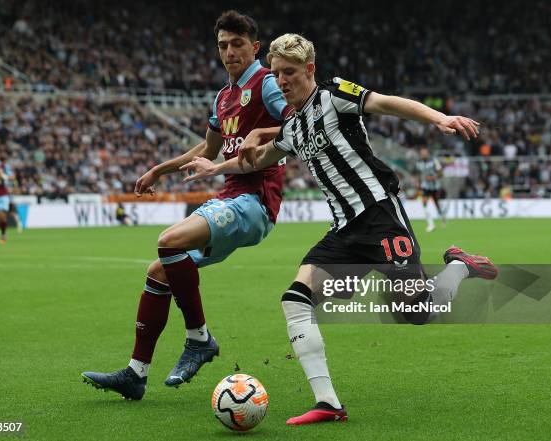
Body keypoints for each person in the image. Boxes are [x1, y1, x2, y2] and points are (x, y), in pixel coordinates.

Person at [181, 33, 497, 425]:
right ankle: (328, 403)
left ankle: (459, 265)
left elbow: (384, 102)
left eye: (290, 73)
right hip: (343, 231)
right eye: (277, 74)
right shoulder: (293, 127)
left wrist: (440, 118)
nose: (281, 81)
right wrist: (215, 167)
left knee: (417, 312)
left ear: (310, 70)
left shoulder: (333, 95)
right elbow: (257, 159)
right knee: (295, 299)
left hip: (380, 217)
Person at [81, 11, 292, 400]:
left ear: (255, 47)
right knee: (160, 271)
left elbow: (302, 121)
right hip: (230, 198)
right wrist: (160, 169)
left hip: (255, 200)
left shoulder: (265, 83)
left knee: (170, 239)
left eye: (237, 44)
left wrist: (262, 132)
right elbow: (209, 149)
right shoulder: (224, 96)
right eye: (223, 46)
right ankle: (136, 373)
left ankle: (199, 339)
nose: (229, 52)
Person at [416, 147, 446, 232]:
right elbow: (418, 173)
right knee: (424, 203)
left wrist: (433, 177)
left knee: (437, 205)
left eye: (424, 153)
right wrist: (418, 182)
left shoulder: (434, 161)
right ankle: (431, 224)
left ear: (427, 153)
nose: (423, 155)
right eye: (422, 153)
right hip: (426, 186)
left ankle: (443, 217)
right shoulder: (419, 163)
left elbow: (441, 173)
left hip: (435, 186)